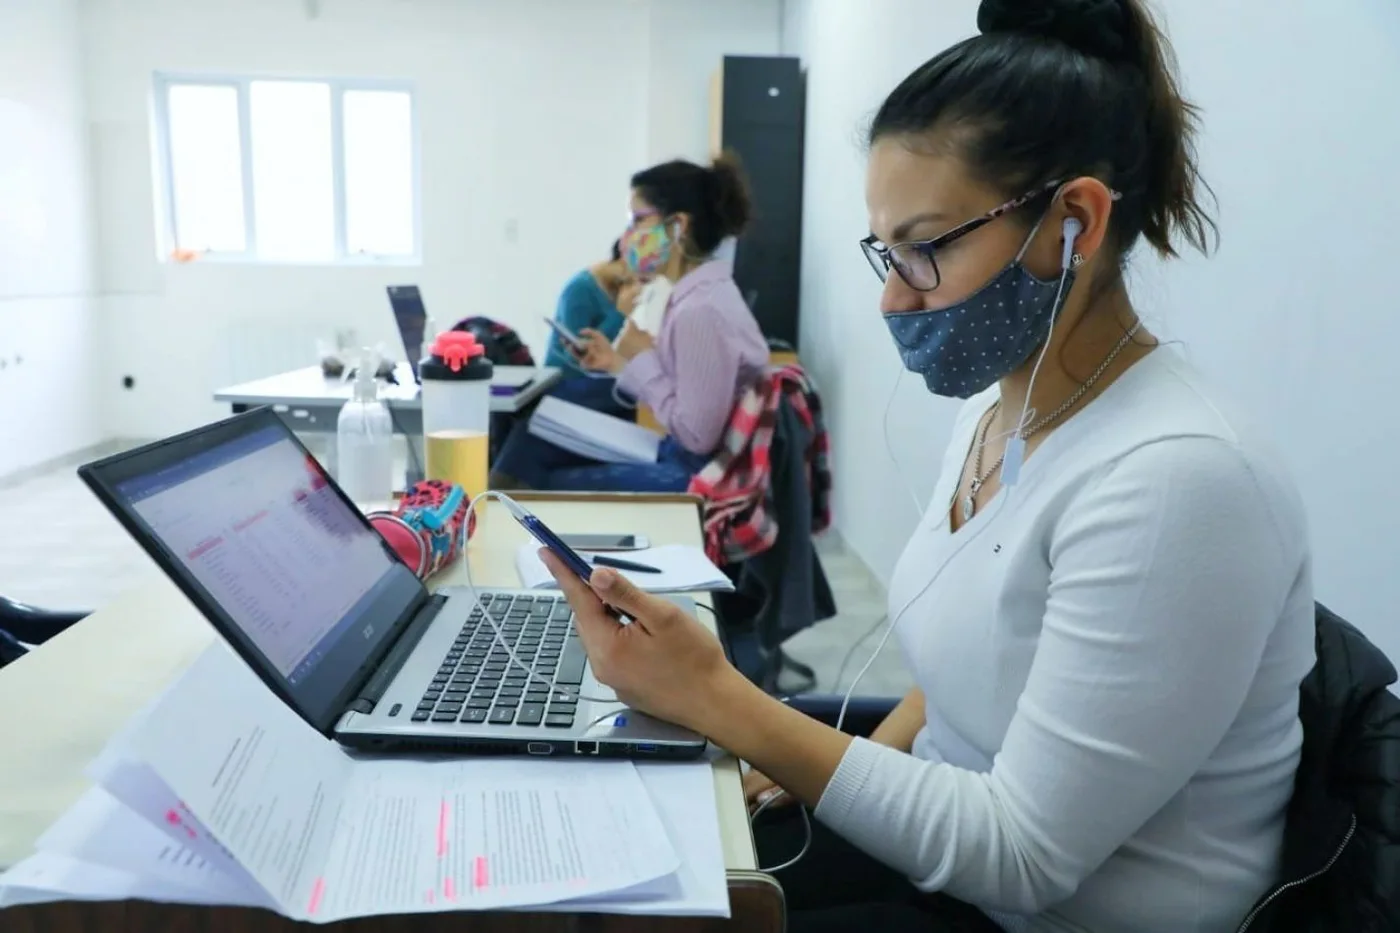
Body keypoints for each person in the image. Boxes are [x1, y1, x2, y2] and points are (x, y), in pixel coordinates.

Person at [537, 2, 1315, 932]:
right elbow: (965, 679)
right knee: (629, 871)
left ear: (1073, 220)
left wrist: (722, 698)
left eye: (924, 249)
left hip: (1030, 909)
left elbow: (1023, 858)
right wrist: (809, 759)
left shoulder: (1182, 482)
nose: (893, 297)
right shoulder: (1002, 411)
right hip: (949, 848)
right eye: (885, 249)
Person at [490, 153, 768, 492]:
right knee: (532, 436)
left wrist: (640, 358)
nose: (627, 238)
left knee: (546, 481)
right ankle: (489, 516)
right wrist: (619, 362)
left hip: (696, 471)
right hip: (683, 454)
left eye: (638, 221)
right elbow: (679, 395)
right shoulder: (696, 296)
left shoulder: (700, 311)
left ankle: (488, 519)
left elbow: (696, 437)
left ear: (678, 226)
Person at [543, 241, 634, 370]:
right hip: (569, 378)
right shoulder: (580, 289)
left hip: (605, 373)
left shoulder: (625, 287)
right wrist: (621, 312)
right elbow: (576, 357)